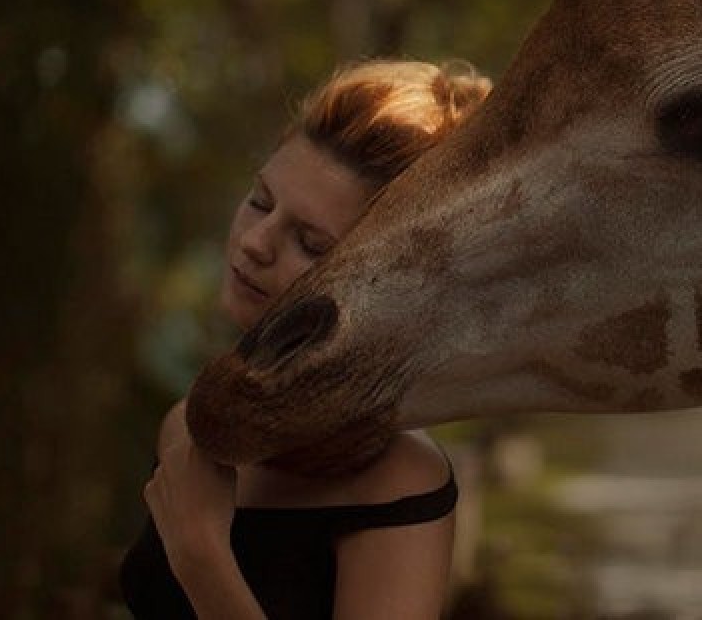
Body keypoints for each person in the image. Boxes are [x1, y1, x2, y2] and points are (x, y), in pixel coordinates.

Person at [120, 59, 492, 619]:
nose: (254, 243)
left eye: (310, 244)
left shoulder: (398, 480)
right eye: (261, 201)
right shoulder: (186, 425)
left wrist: (202, 560)